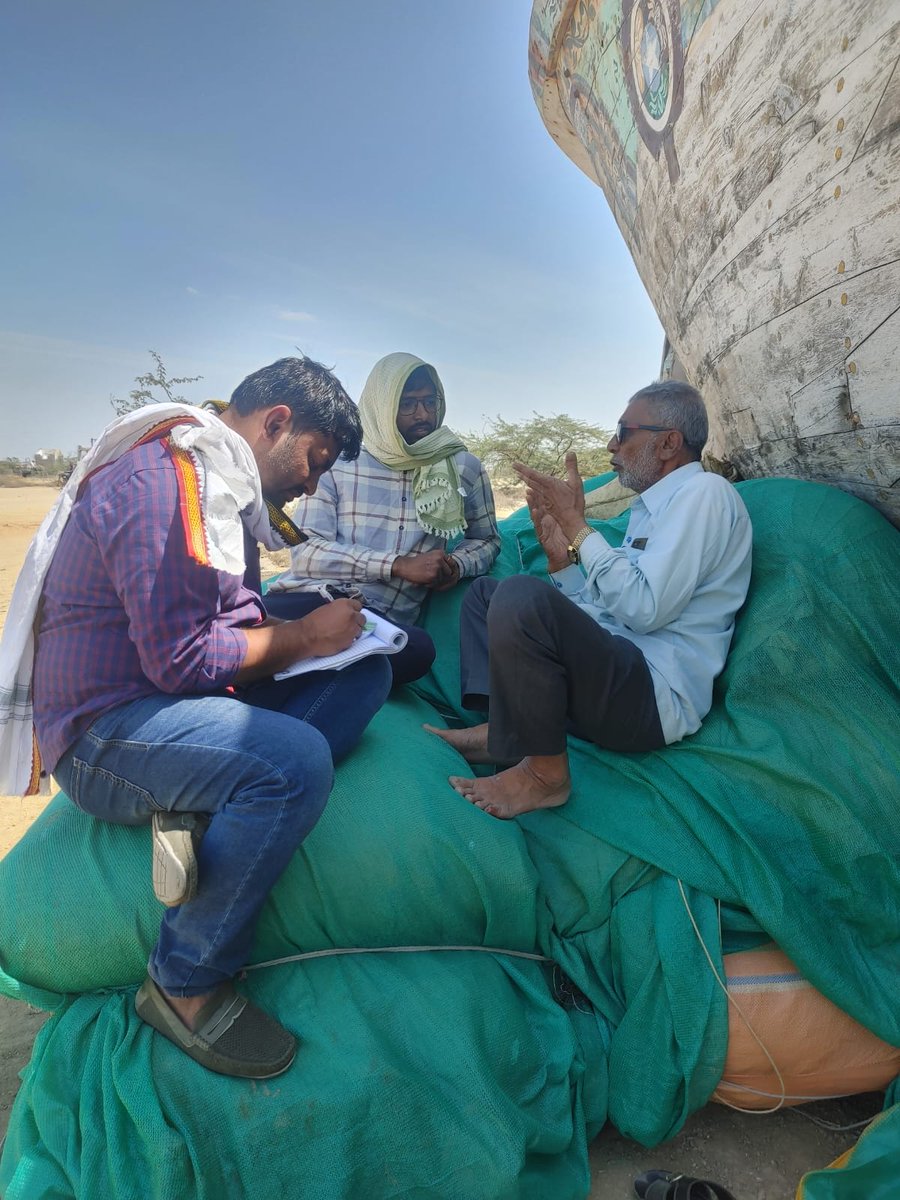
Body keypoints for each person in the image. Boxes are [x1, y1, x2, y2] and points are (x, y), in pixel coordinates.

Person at [22, 356, 393, 1080]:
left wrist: (315, 635)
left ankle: (213, 791)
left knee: (368, 668)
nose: (312, 484)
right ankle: (183, 983)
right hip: (107, 729)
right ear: (277, 422)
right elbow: (181, 660)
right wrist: (304, 639)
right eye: (314, 461)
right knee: (293, 764)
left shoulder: (214, 475)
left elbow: (222, 616)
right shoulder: (167, 482)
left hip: (173, 699)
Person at [426, 380, 752, 820]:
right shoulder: (649, 508)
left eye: (624, 431)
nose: (611, 444)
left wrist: (579, 527)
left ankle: (545, 777)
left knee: (522, 597)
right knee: (490, 594)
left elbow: (644, 609)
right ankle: (509, 730)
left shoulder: (705, 496)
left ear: (669, 443)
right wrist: (562, 559)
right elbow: (604, 610)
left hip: (650, 698)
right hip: (614, 671)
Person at [264, 352, 500, 685]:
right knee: (253, 623)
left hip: (380, 623)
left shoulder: (463, 467)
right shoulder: (342, 460)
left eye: (429, 401)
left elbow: (488, 540)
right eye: (407, 404)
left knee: (417, 650)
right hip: (312, 600)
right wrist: (397, 565)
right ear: (382, 404)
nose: (423, 414)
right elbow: (306, 553)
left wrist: (457, 565)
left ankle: (306, 666)